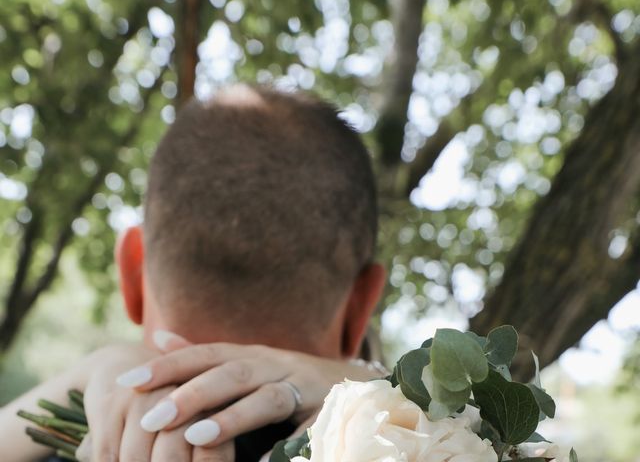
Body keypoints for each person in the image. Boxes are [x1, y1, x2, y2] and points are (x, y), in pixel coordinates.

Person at [0, 85, 387, 461]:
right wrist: (384, 390)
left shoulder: (54, 441)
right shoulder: (411, 445)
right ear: (361, 308)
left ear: (133, 271)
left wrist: (80, 377)